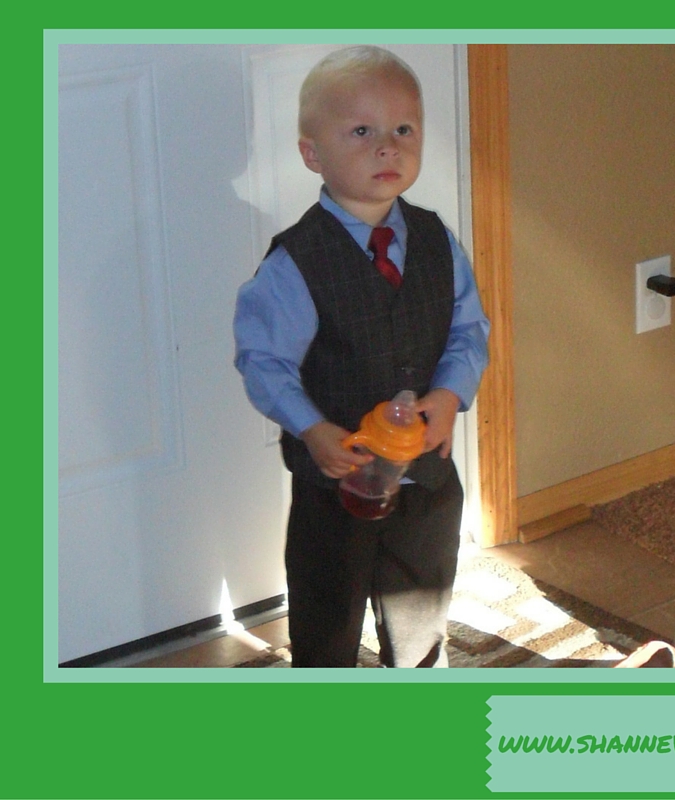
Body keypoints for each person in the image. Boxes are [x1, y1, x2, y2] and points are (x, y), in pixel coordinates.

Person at [233, 45, 489, 667]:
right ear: (312, 154)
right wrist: (312, 427)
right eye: (361, 131)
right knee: (328, 608)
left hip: (425, 476)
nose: (387, 148)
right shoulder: (296, 262)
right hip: (336, 482)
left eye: (403, 129)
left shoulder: (436, 240)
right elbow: (264, 361)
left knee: (421, 599)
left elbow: (469, 330)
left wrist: (449, 395)